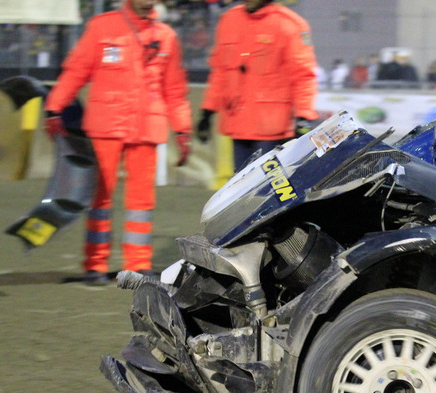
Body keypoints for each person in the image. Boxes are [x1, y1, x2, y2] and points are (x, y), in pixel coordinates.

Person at [44, 0, 192, 285]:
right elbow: (77, 70)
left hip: (146, 126)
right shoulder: (102, 27)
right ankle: (95, 265)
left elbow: (174, 89)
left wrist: (183, 130)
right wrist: (54, 107)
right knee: (100, 198)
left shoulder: (166, 36)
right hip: (106, 125)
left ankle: (138, 265)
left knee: (141, 202)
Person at [196, 0, 319, 172]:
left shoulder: (290, 25)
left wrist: (303, 116)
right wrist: (207, 111)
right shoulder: (229, 20)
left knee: (268, 190)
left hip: (272, 128)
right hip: (238, 125)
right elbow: (221, 71)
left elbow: (303, 75)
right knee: (242, 190)